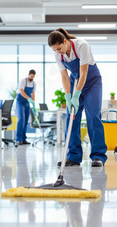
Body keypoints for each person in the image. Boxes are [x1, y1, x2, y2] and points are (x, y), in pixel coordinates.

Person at [48, 28, 107, 167]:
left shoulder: (81, 45)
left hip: (92, 82)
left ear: (64, 41)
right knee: (72, 117)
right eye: (54, 50)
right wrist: (68, 97)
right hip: (75, 82)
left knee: (93, 116)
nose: (58, 52)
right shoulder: (59, 55)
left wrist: (77, 94)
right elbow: (64, 76)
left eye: (59, 48)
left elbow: (84, 72)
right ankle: (73, 156)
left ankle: (98, 156)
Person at [15, 69, 37, 145]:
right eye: (31, 76)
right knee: (21, 119)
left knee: (26, 120)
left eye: (33, 77)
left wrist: (33, 103)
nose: (32, 78)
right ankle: (18, 139)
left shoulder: (34, 84)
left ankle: (24, 139)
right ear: (28, 74)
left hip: (27, 102)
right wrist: (29, 99)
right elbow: (21, 91)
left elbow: (33, 94)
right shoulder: (23, 81)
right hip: (20, 101)